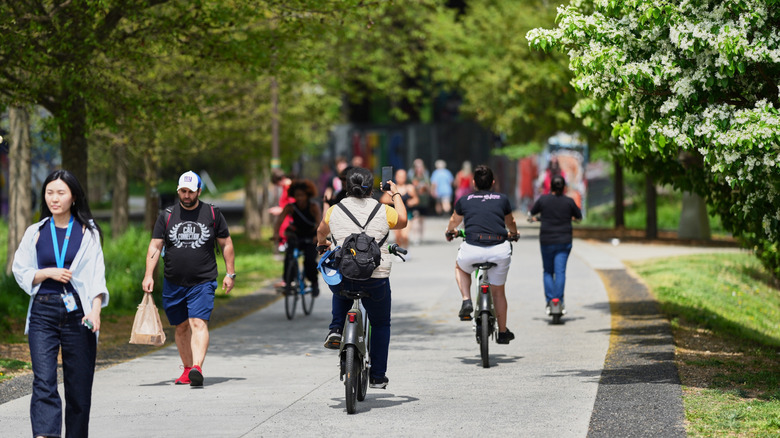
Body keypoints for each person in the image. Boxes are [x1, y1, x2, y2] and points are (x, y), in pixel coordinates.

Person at [12, 169, 109, 438]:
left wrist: (96, 310)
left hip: (79, 313)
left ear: (74, 197)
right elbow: (20, 269)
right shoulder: (36, 231)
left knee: (78, 387)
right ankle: (45, 434)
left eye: (61, 193)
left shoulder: (88, 233)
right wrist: (46, 273)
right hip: (43, 311)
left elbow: (96, 276)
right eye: (50, 192)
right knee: (44, 381)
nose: (54, 198)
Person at [316, 167, 408, 389]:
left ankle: (336, 328)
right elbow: (403, 220)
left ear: (347, 187)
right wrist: (395, 192)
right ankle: (377, 376)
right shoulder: (384, 210)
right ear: (371, 189)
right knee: (380, 323)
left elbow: (321, 231)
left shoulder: (334, 211)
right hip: (376, 276)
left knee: (340, 285)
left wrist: (323, 244)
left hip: (346, 275)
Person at [142, 170, 235, 387]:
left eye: (191, 192)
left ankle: (197, 367)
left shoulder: (212, 213)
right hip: (173, 282)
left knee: (197, 322)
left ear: (199, 191)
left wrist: (230, 273)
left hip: (203, 280)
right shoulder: (166, 215)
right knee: (181, 326)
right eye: (183, 191)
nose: (186, 195)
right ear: (178, 191)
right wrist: (148, 275)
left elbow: (226, 244)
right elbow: (155, 246)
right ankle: (186, 370)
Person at [445, 164, 519, 344]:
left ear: (473, 183)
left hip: (472, 249)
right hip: (499, 249)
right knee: (499, 292)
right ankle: (502, 332)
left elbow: (454, 221)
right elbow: (510, 221)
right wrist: (514, 233)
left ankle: (466, 299)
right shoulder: (502, 199)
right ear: (493, 183)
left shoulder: (464, 200)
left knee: (460, 268)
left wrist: (450, 231)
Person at [528, 175, 582, 315]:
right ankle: (559, 301)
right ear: (564, 188)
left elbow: (531, 213)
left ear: (550, 187)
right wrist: (572, 218)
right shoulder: (569, 202)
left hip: (546, 241)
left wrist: (537, 218)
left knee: (547, 271)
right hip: (564, 241)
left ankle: (550, 300)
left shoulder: (543, 200)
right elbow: (579, 217)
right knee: (560, 272)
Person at [272, 179, 322, 296]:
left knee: (309, 260)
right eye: (297, 195)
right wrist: (276, 234)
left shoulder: (313, 206)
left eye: (302, 195)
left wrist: (317, 236)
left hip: (311, 236)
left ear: (307, 195)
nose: (299, 198)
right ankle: (289, 282)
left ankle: (314, 283)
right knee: (289, 257)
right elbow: (279, 221)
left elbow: (320, 223)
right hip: (296, 235)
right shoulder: (290, 207)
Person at [379, 168, 417, 250]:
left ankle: (406, 249)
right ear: (396, 177)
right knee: (398, 236)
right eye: (399, 176)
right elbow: (383, 200)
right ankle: (399, 250)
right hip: (395, 214)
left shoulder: (409, 188)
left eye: (403, 176)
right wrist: (396, 200)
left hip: (407, 213)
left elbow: (416, 199)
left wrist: (411, 202)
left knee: (405, 235)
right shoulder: (392, 188)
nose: (401, 178)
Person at [408, 158, 431, 245]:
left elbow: (429, 189)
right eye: (417, 166)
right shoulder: (411, 176)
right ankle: (415, 237)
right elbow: (408, 187)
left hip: (424, 201)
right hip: (415, 201)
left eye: (420, 166)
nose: (419, 168)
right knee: (415, 218)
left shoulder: (426, 176)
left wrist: (425, 187)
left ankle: (420, 236)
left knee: (422, 220)